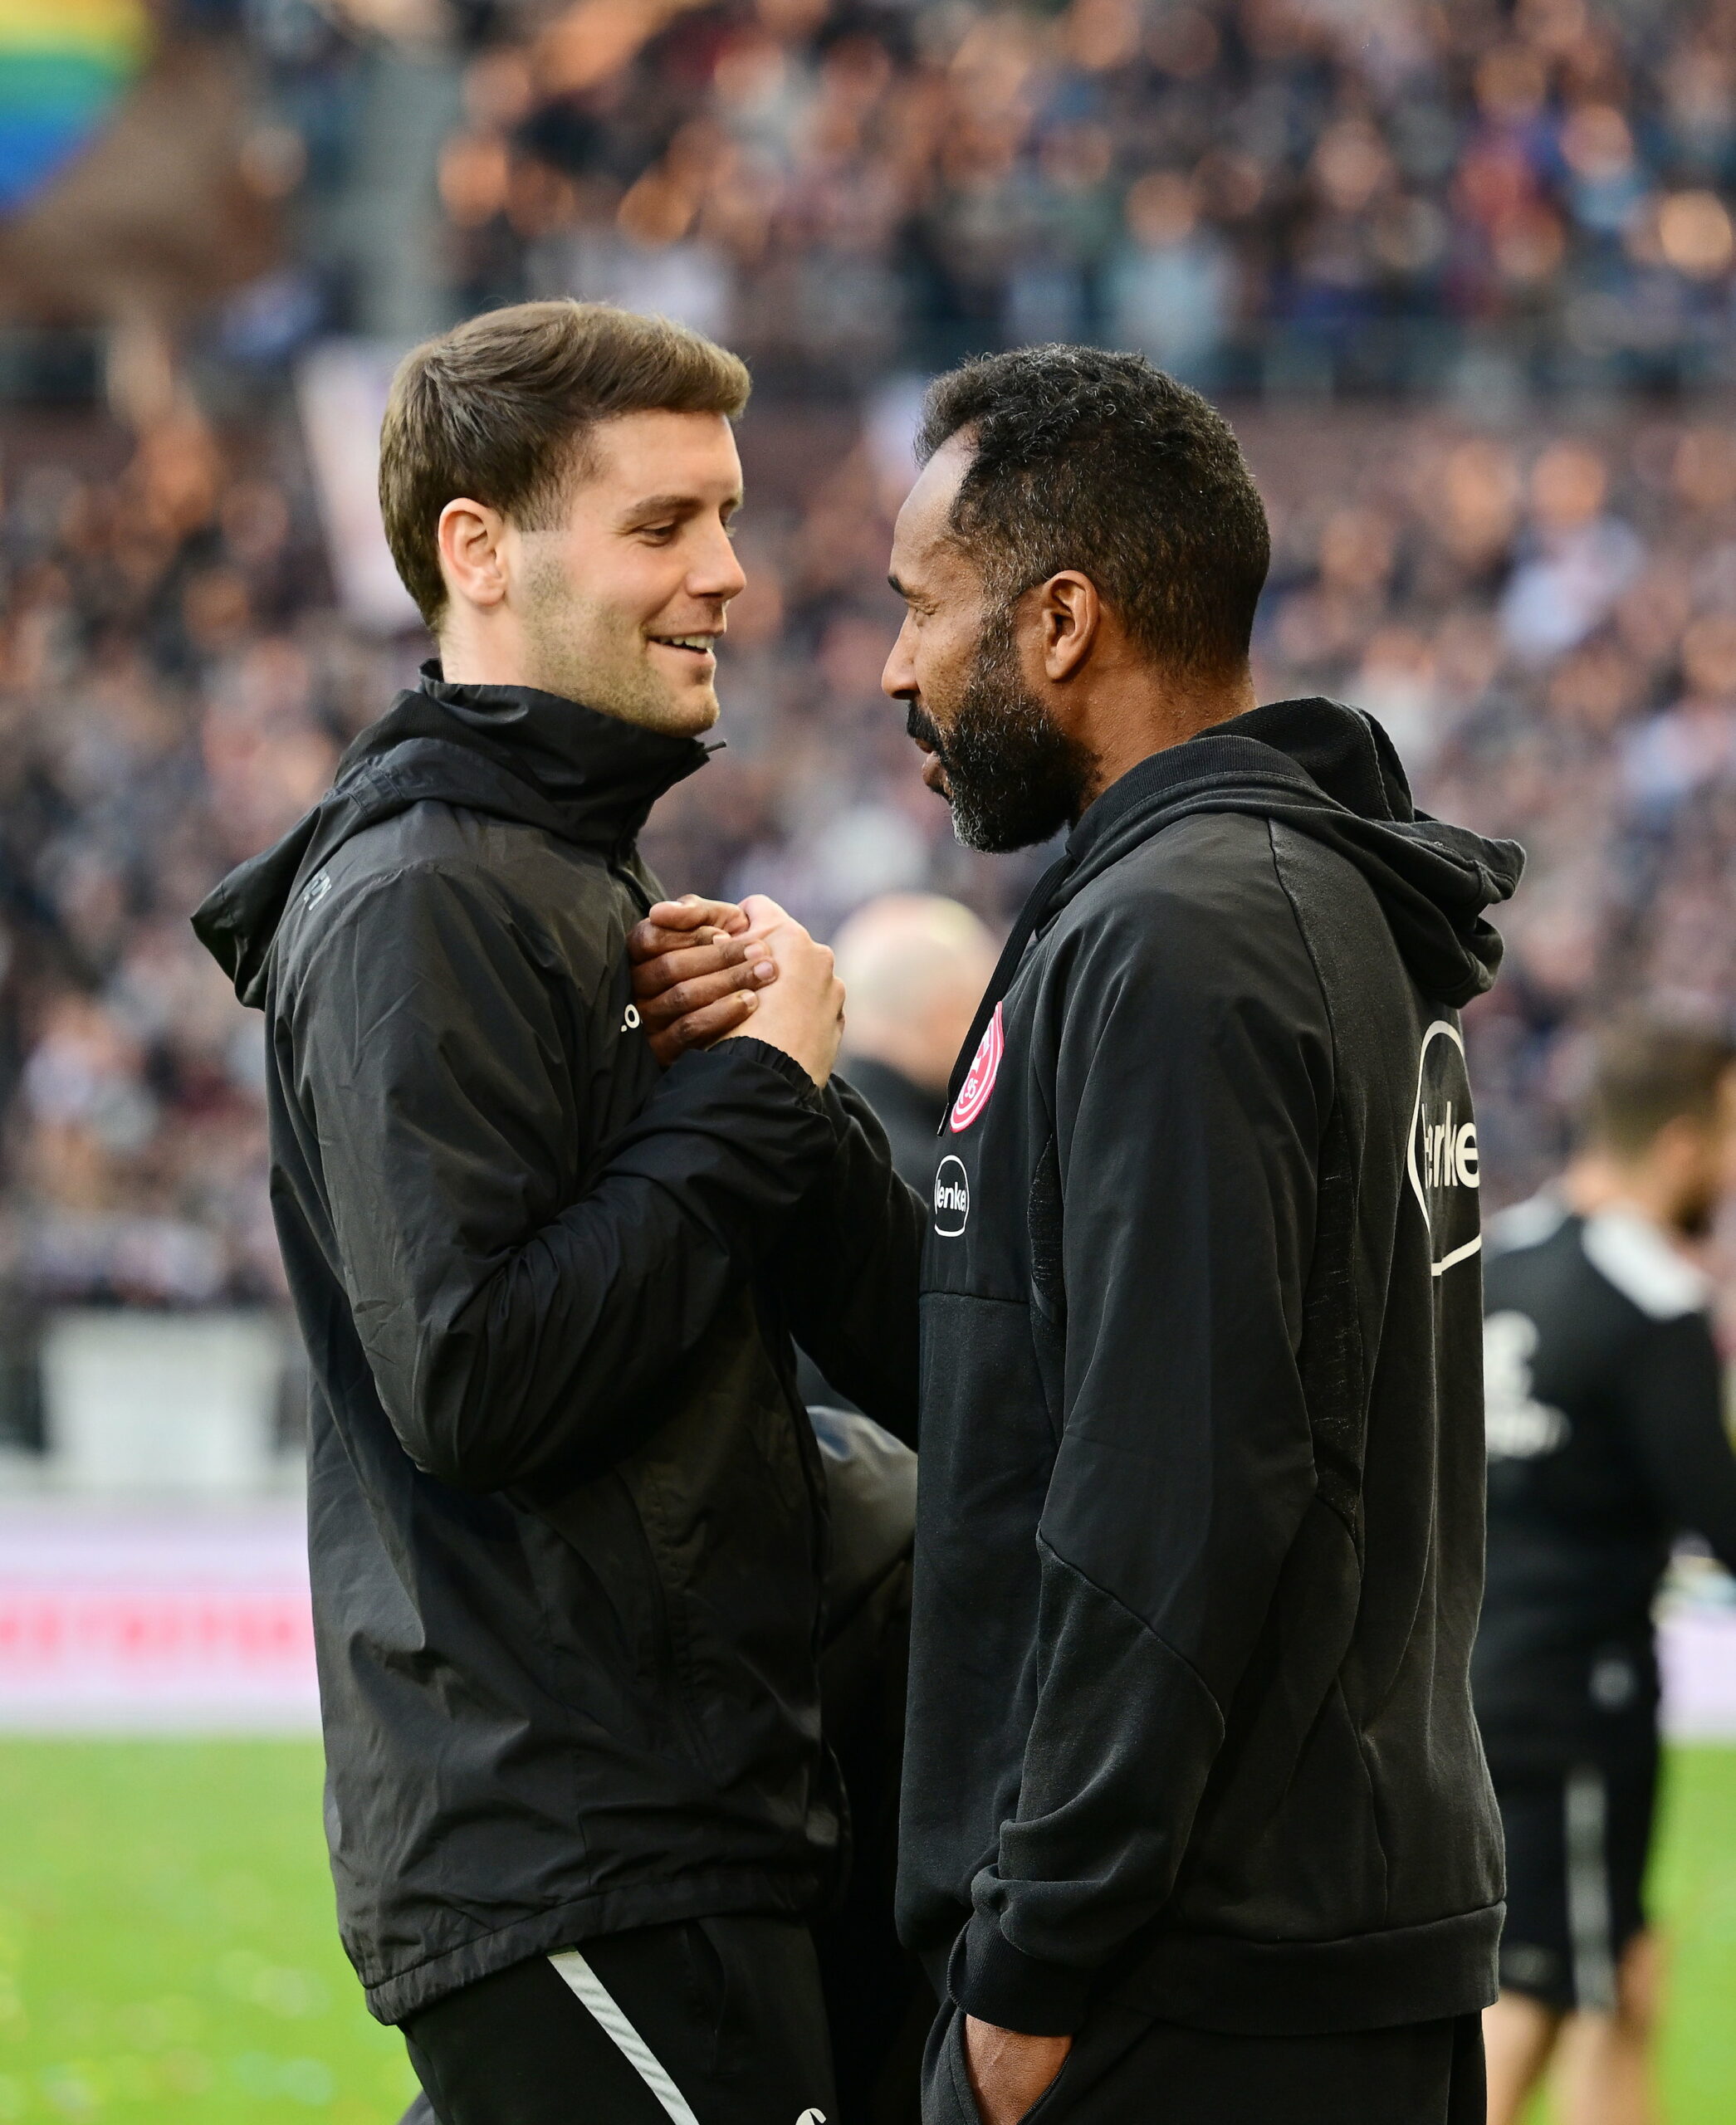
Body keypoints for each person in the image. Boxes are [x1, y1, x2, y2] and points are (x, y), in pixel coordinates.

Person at [192, 299, 919, 2125]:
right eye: (662, 524)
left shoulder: (570, 870)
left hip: (689, 1810)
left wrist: (782, 1096)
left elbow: (853, 1334)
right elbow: (479, 1380)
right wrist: (760, 1093)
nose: (730, 575)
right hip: (582, 1830)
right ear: (478, 550)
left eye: (728, 517)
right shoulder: (419, 898)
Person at [880, 347, 1525, 2124]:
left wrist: (1034, 1956)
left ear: (1061, 619)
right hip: (1307, 1932)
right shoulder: (1303, 899)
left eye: (920, 607)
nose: (893, 666)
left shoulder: (1178, 936)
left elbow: (1175, 1475)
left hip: (1191, 1974)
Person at [1477, 1020, 1736, 2125]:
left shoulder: (1496, 1256)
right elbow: (1718, 1519)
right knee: (1549, 1998)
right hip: (1580, 1703)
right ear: (1680, 1142)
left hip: (1472, 1675)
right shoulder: (1650, 1303)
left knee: (1601, 1984)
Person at [826, 894, 1000, 1194]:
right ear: (945, 1015)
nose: (995, 1038)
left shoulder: (797, 1141)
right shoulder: (947, 1184)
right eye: (982, 1013)